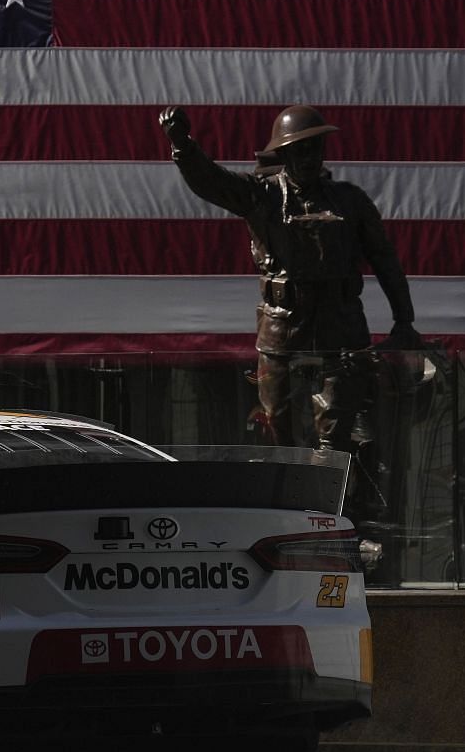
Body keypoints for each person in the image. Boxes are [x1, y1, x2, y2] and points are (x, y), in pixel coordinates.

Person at [158, 104, 424, 528]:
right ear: (284, 153)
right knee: (277, 428)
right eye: (299, 149)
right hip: (281, 332)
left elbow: (386, 261)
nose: (308, 157)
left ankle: (326, 516)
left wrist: (403, 319)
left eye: (315, 147)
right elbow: (210, 181)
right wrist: (183, 146)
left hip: (340, 329)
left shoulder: (351, 201)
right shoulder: (261, 195)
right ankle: (284, 515)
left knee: (335, 432)